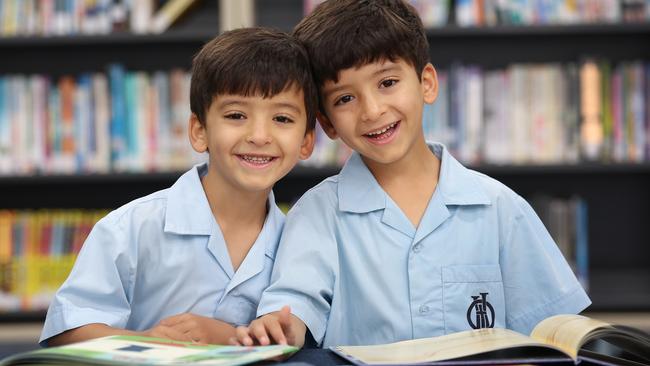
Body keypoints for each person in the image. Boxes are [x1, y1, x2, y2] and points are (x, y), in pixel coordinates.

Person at [234, 0, 591, 348]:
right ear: (327, 123)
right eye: (345, 99)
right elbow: (294, 307)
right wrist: (280, 327)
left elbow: (555, 329)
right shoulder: (317, 213)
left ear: (427, 84)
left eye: (387, 82)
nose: (372, 110)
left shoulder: (498, 207)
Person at [39, 27, 317, 346]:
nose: (258, 135)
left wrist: (224, 335)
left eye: (282, 119)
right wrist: (149, 341)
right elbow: (67, 331)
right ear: (199, 131)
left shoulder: (298, 243)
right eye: (236, 115)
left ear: (307, 141)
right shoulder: (130, 227)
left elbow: (297, 342)